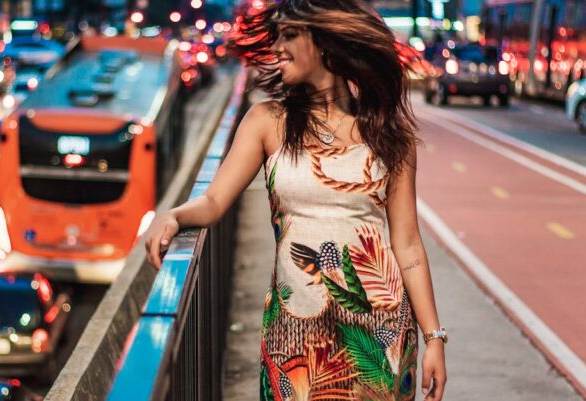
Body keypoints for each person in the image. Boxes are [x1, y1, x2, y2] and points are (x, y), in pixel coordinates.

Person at [144, 0, 447, 399]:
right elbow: (215, 200)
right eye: (276, 38)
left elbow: (407, 243)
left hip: (380, 335)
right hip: (296, 333)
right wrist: (175, 216)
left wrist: (435, 338)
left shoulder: (389, 135)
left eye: (289, 36)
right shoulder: (268, 122)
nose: (277, 49)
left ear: (323, 42)